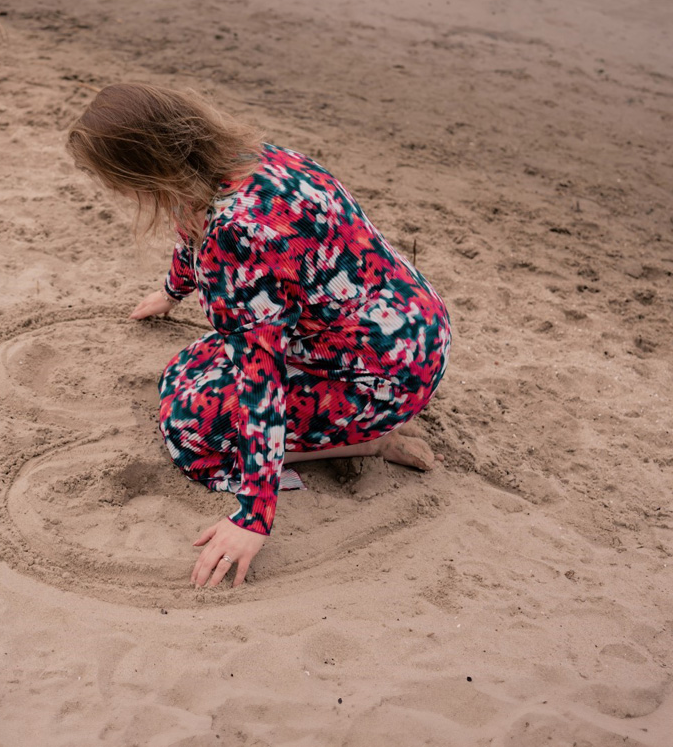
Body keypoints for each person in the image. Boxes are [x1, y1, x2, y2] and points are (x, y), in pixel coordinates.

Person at [66, 83, 451, 590]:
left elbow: (260, 380)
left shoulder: (235, 234)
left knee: (190, 433)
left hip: (377, 375)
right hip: (414, 331)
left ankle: (372, 442)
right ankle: (362, 429)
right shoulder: (254, 158)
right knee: (187, 369)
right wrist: (171, 292)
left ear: (143, 170)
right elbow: (192, 225)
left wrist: (254, 514)